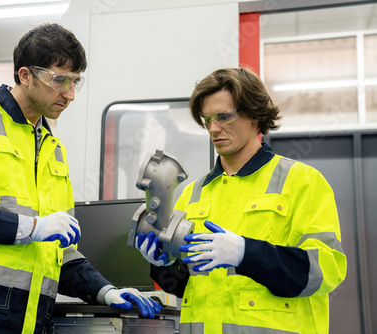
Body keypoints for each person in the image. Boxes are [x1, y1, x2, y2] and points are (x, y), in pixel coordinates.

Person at [0, 23, 161, 334]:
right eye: (60, 79)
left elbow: (57, 250)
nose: (70, 94)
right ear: (25, 75)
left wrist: (107, 291)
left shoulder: (53, 150)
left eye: (76, 81)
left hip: (26, 323)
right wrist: (32, 227)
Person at [135, 67, 347, 334]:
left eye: (224, 117)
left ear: (255, 116)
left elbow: (326, 270)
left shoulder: (303, 182)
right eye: (207, 119)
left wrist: (246, 253)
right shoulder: (191, 194)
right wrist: (161, 265)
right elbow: (184, 285)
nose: (213, 128)